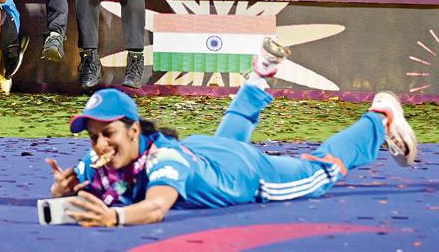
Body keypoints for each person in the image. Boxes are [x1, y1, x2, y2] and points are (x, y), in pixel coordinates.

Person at [45, 42, 418, 227]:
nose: (100, 144)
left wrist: (116, 218)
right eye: (92, 136)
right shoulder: (104, 155)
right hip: (207, 152)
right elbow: (82, 182)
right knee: (233, 128)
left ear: (134, 129)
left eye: (107, 133)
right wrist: (61, 190)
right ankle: (261, 74)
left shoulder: (164, 160)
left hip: (247, 175)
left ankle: (379, 118)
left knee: (321, 172)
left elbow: (157, 206)